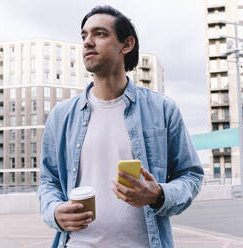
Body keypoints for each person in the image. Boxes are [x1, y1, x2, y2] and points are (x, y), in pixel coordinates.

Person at [39, 5, 204, 248]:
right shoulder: (61, 116)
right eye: (84, 35)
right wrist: (54, 211)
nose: (87, 42)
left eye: (100, 34)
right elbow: (48, 181)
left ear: (126, 45)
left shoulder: (163, 110)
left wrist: (158, 194)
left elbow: (191, 175)